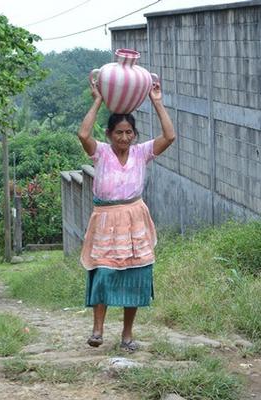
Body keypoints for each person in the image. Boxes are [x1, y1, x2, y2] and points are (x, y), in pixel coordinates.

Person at [77, 80, 176, 352]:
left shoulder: (141, 153)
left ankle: (127, 335)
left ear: (134, 134)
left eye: (129, 132)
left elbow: (169, 136)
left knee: (136, 274)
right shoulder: (102, 153)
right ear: (109, 134)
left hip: (134, 221)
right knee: (104, 274)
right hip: (105, 221)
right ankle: (97, 330)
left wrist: (156, 101)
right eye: (118, 132)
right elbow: (83, 135)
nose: (124, 138)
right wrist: (98, 100)